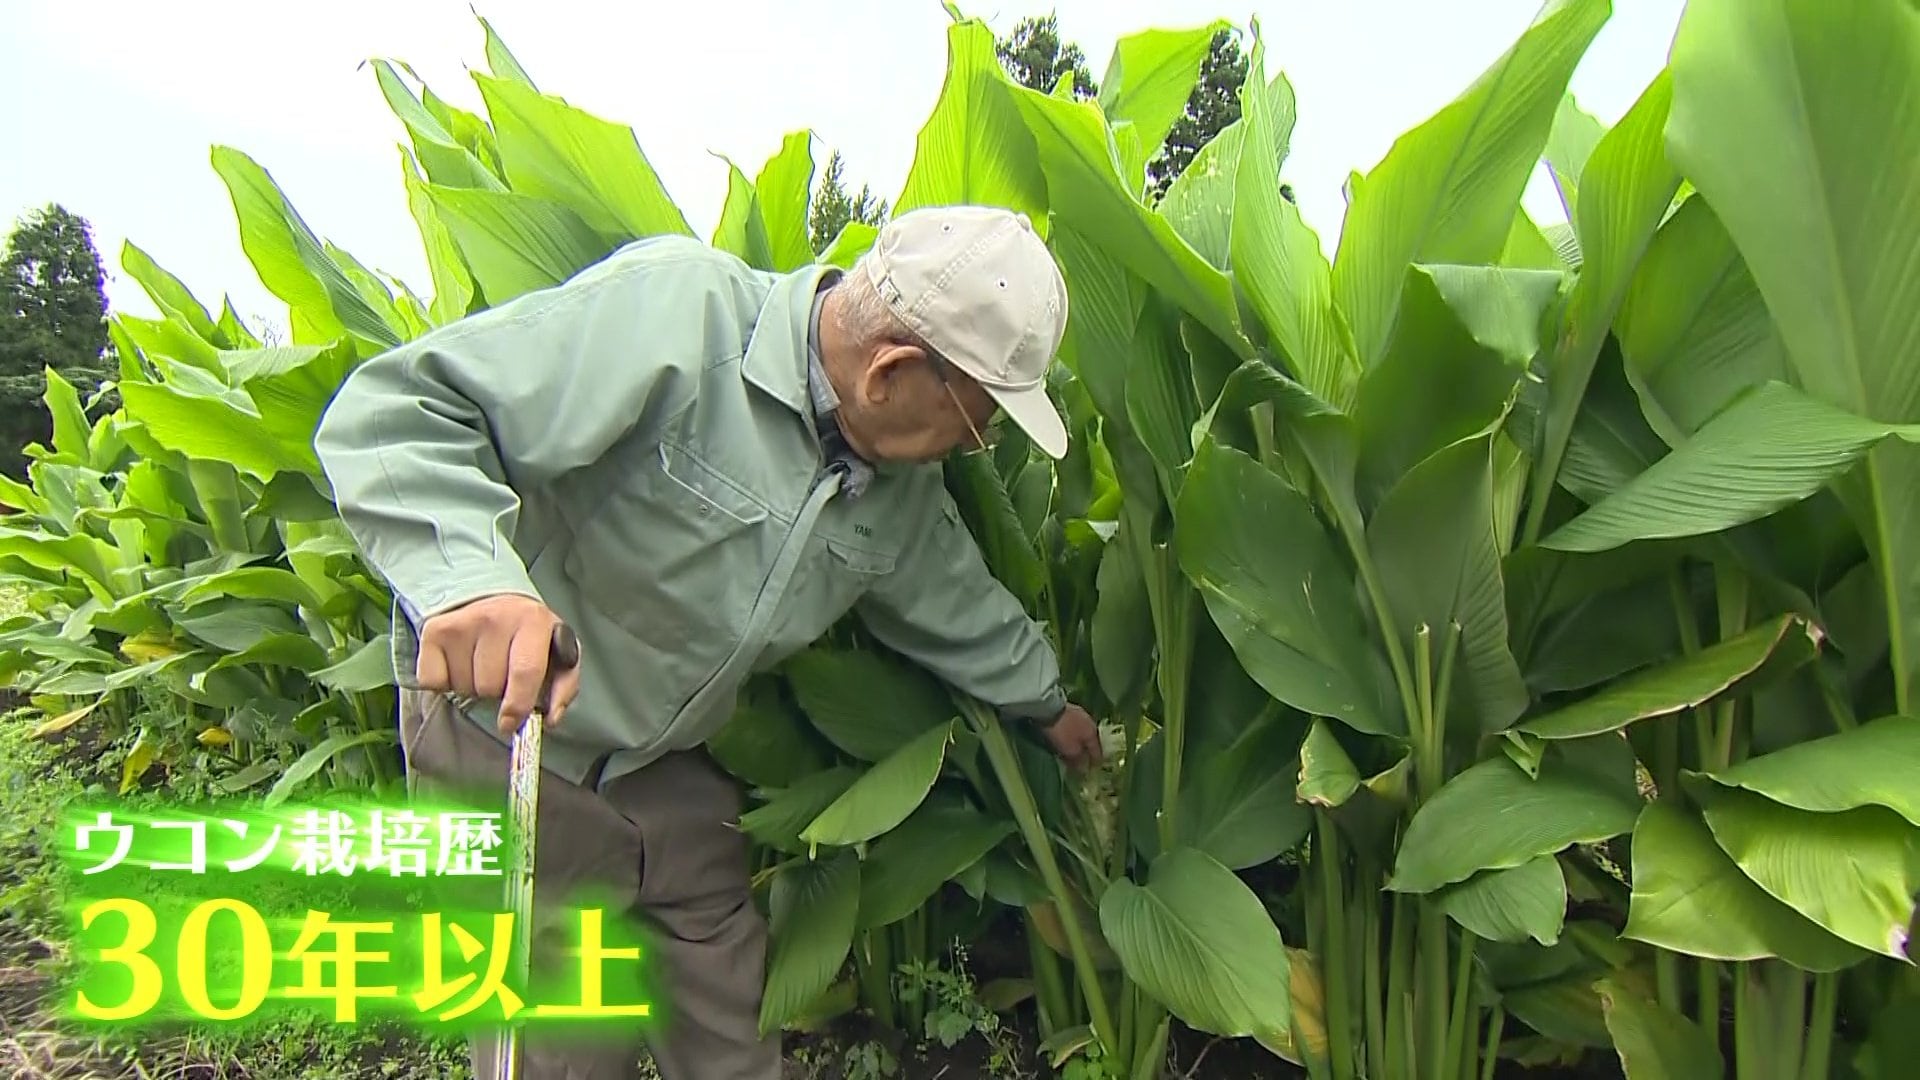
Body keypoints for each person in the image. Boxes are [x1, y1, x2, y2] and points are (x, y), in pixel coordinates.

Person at [311, 203, 1106, 1080]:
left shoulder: (895, 487)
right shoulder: (681, 320)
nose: (980, 441)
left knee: (730, 1015)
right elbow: (399, 412)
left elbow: (952, 599)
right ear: (890, 373)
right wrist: (475, 581)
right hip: (515, 745)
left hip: (668, 761)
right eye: (980, 413)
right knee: (564, 1046)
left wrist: (1047, 704)